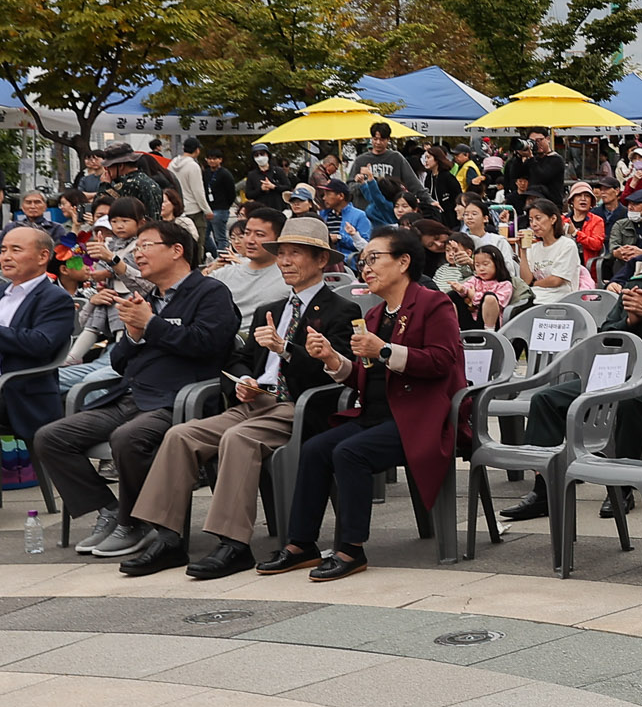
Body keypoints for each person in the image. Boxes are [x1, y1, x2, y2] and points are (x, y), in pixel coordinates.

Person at [112, 218, 364, 578]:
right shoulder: (272, 308)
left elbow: (336, 372)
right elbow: (239, 357)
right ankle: (168, 537)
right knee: (180, 435)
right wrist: (243, 380)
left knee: (238, 439)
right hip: (255, 403)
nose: (286, 261)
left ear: (321, 260)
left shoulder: (341, 310)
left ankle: (234, 543)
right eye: (282, 254)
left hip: (299, 405)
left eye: (296, 254)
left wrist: (287, 349)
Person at [253, 226, 465, 582]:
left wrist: (383, 350)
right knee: (317, 447)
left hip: (420, 418)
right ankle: (301, 542)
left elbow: (442, 361)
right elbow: (361, 375)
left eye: (374, 259)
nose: (366, 267)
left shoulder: (433, 303)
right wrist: (331, 359)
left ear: (403, 262)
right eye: (363, 261)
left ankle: (351, 548)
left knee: (349, 452)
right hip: (376, 414)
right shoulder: (373, 315)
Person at [38, 218, 240, 561]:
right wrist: (132, 334)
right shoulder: (147, 297)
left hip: (178, 401)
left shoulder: (209, 293)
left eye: (146, 245)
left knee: (128, 439)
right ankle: (109, 510)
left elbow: (209, 345)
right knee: (50, 437)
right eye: (137, 247)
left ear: (177, 251)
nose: (138, 254)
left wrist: (151, 324)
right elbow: (118, 362)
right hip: (130, 396)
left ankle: (137, 522)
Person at [501, 212, 642, 522]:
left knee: (631, 401)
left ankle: (621, 487)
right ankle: (544, 489)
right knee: (546, 399)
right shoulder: (638, 283)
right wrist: (630, 321)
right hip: (620, 371)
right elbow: (607, 333)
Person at [0, 225, 73, 523]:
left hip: (7, 388)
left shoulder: (54, 299)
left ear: (43, 256)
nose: (5, 256)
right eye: (3, 249)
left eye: (16, 250)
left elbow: (41, 345)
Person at [515, 197, 580, 297]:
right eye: (531, 220)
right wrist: (523, 250)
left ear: (553, 219)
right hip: (536, 296)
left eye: (538, 218)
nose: (534, 224)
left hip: (560, 298)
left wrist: (533, 284)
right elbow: (526, 280)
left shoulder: (567, 245)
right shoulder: (533, 248)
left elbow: (556, 280)